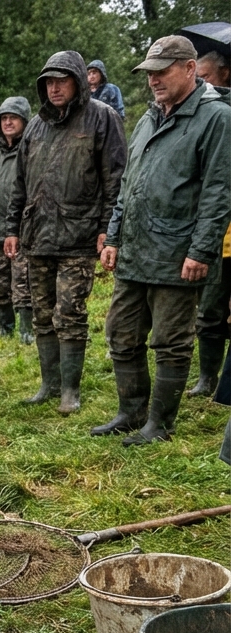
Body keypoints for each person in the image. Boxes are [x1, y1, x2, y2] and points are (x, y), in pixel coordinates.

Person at [98, 35, 231, 445]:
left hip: (177, 254)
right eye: (149, 73)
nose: (153, 80)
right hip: (135, 250)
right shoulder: (148, 118)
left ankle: (160, 424)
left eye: (162, 71)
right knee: (121, 334)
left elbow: (218, 190)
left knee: (170, 342)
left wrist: (201, 250)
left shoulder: (216, 119)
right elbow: (128, 185)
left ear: (190, 69)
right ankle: (131, 410)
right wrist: (114, 236)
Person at [4, 51, 127, 417]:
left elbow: (115, 180)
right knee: (43, 313)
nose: (54, 87)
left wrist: (108, 229)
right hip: (37, 236)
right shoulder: (36, 127)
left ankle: (70, 391)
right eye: (48, 82)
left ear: (77, 80)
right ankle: (49, 384)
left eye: (61, 80)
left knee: (70, 313)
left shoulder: (102, 118)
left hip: (80, 235)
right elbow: (20, 182)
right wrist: (12, 228)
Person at [0, 96, 35, 344]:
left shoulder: (31, 149)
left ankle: (27, 330)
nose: (8, 122)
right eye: (4, 118)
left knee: (23, 280)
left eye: (13, 118)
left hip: (23, 231)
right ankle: (5, 327)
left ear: (24, 120)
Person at [192, 49, 231, 396]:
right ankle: (207, 377)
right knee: (210, 305)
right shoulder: (204, 115)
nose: (199, 84)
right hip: (219, 232)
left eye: (204, 77)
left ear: (225, 74)